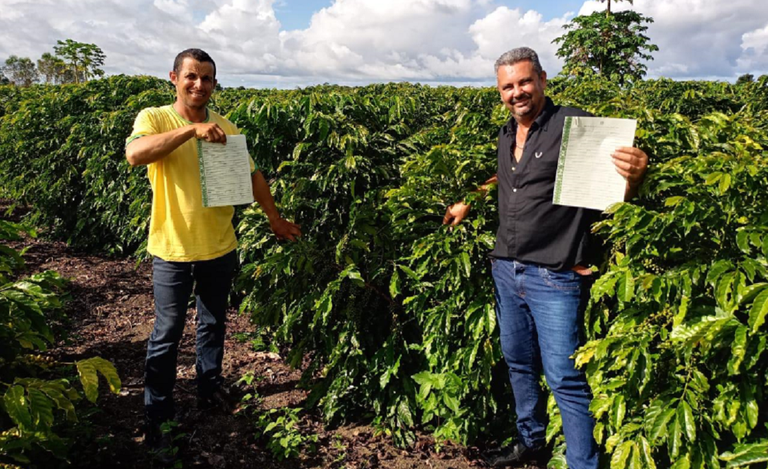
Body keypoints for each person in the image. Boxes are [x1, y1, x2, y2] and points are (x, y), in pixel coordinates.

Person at [443, 47, 648, 469]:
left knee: (564, 377)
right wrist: (471, 198)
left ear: (542, 80)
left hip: (554, 275)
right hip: (506, 268)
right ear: (500, 92)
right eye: (508, 86)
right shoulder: (505, 134)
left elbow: (612, 191)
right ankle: (530, 443)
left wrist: (636, 172)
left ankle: (582, 463)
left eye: (524, 82)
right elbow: (510, 177)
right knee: (518, 363)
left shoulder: (576, 124)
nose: (517, 92)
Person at [125, 48, 301, 459]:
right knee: (167, 333)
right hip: (172, 248)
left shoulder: (226, 126)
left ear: (214, 84)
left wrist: (274, 218)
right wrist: (191, 132)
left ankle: (209, 388)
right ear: (173, 77)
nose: (198, 85)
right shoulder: (154, 118)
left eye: (206, 78)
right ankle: (157, 416)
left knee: (213, 323)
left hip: (220, 246)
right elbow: (135, 154)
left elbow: (252, 175)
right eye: (191, 76)